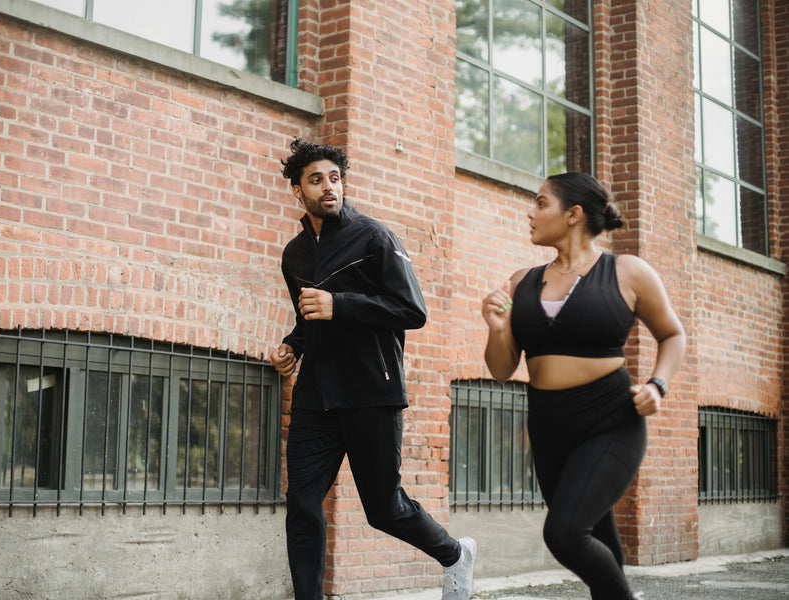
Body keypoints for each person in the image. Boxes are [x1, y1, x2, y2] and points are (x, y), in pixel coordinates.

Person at [269, 138, 476, 600]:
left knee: (383, 508)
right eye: (316, 180)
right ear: (297, 191)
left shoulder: (374, 237)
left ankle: (454, 554)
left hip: (372, 392)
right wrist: (292, 345)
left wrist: (339, 304)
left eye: (335, 178)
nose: (328, 187)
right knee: (302, 502)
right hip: (316, 397)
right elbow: (309, 319)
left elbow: (411, 310)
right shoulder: (294, 255)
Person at [480, 172, 686, 600]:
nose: (530, 212)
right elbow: (502, 371)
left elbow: (672, 334)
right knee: (598, 539)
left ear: (573, 214)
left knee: (566, 533)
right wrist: (497, 328)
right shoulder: (522, 281)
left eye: (540, 203)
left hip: (611, 421)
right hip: (550, 426)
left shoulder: (627, 271)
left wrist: (658, 385)